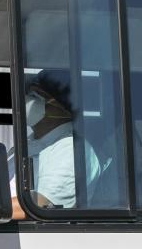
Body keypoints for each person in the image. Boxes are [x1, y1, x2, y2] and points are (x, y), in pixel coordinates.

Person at [9, 70, 100, 220]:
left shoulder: (71, 149)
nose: (27, 101)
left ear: (63, 107)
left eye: (36, 96)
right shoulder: (29, 143)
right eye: (28, 94)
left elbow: (40, 204)